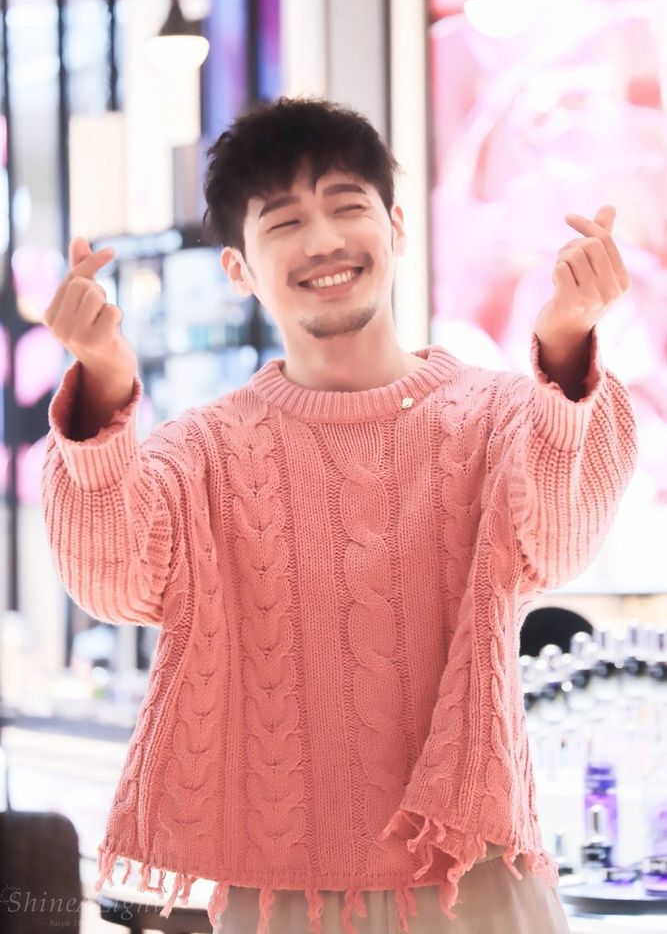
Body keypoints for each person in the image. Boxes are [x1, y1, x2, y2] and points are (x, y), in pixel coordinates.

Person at [41, 96, 637, 933]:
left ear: (396, 227)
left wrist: (569, 338)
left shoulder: (498, 415)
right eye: (284, 221)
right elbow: (112, 579)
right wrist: (102, 378)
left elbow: (560, 542)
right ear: (238, 270)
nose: (322, 240)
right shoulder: (201, 453)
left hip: (477, 879)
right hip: (278, 892)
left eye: (347, 206)